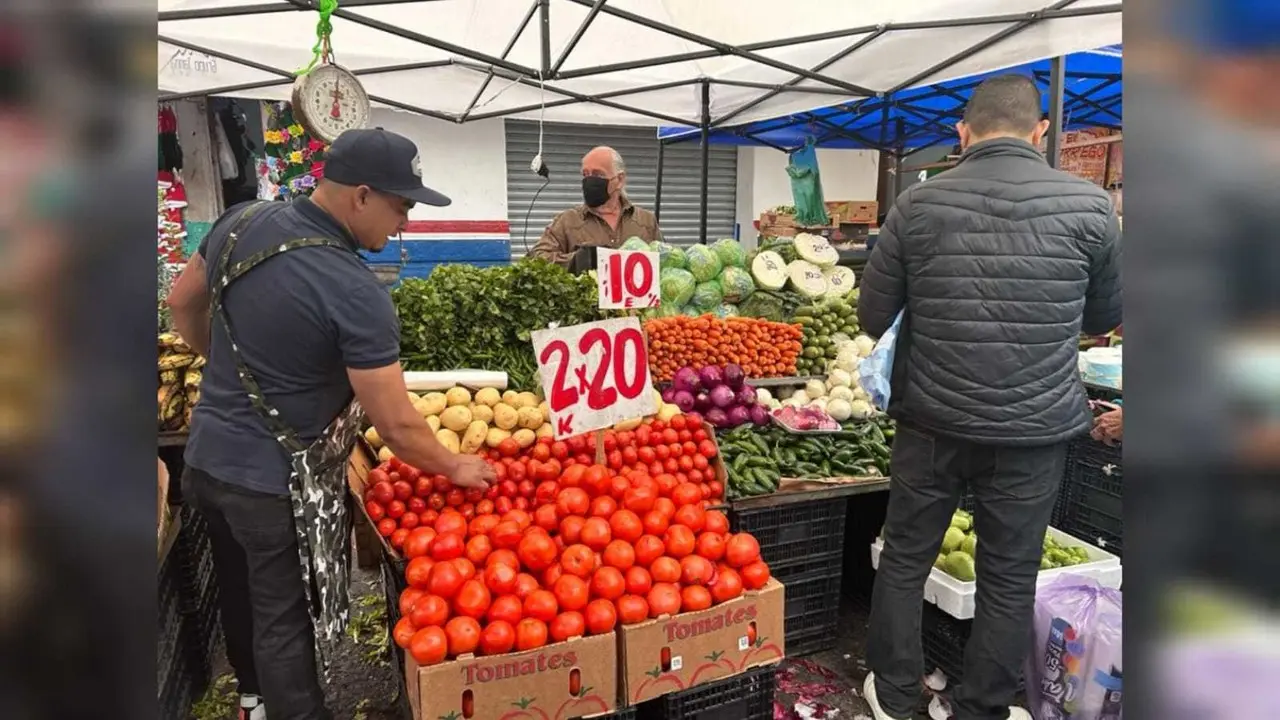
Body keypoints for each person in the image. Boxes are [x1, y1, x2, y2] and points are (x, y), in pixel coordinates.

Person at [165, 127, 496, 720]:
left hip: (206, 463)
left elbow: (183, 302)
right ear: (361, 195)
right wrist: (454, 464)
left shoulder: (239, 222)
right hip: (273, 487)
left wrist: (226, 369)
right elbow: (394, 423)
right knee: (284, 622)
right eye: (403, 207)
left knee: (238, 591)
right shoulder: (354, 290)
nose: (405, 225)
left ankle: (250, 699)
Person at [856, 75, 1122, 720]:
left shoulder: (917, 206)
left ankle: (892, 697)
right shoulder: (1091, 206)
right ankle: (984, 709)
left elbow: (872, 315)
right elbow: (1104, 315)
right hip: (1034, 431)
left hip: (931, 420)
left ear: (962, 133)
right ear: (1040, 132)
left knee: (906, 559)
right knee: (1008, 576)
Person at [529, 145, 664, 267]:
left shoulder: (646, 221)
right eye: (585, 174)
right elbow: (537, 258)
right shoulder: (567, 221)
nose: (589, 180)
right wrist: (577, 261)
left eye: (598, 174)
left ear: (620, 180)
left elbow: (665, 261)